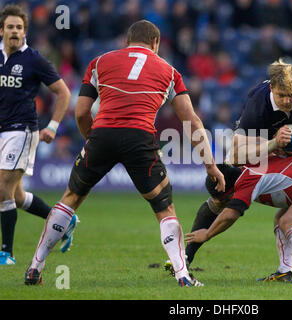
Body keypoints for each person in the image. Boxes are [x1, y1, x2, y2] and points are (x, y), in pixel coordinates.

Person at [24, 20, 225, 287]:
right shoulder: (170, 71)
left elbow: (82, 112)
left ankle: (35, 268)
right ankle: (183, 275)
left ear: (127, 41)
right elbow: (192, 121)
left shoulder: (99, 62)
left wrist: (91, 141)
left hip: (102, 135)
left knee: (70, 197)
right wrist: (210, 166)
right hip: (139, 138)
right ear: (156, 43)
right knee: (164, 208)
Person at [180, 59, 292, 269]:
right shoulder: (257, 104)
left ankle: (288, 268)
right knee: (219, 190)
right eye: (281, 96)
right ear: (271, 88)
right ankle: (185, 258)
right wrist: (274, 144)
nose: (287, 101)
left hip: (290, 153)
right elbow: (235, 157)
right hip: (260, 147)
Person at [185, 156, 292, 283]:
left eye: (224, 200)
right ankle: (285, 271)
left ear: (230, 191)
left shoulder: (247, 179)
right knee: (281, 218)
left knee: (289, 221)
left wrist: (207, 234)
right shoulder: (250, 169)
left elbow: (231, 214)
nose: (223, 205)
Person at [0, 5, 77, 265]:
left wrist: (53, 127)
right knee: (17, 196)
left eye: (19, 27)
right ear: (1, 30)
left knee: (2, 188)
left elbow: (64, 92)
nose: (14, 31)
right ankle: (64, 221)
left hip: (22, 131)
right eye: (10, 27)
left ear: (25, 31)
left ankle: (6, 253)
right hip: (1, 131)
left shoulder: (33, 59)